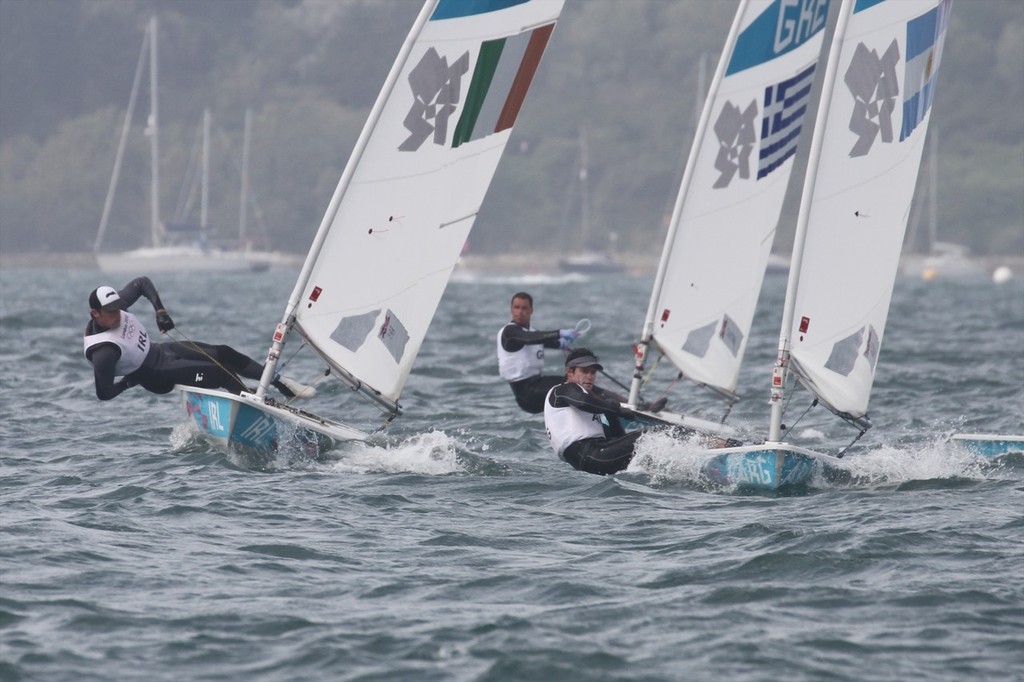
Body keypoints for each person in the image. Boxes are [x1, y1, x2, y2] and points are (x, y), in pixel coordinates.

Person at [83, 277, 315, 402]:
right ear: (96, 313)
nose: (117, 314)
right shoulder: (104, 352)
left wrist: (160, 312)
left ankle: (280, 383)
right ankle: (260, 402)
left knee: (224, 353)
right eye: (111, 312)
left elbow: (142, 283)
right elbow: (103, 393)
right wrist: (128, 382)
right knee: (222, 372)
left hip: (162, 351)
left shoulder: (115, 306)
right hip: (156, 374)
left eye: (118, 308)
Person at [543, 347, 646, 476]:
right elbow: (583, 402)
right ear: (569, 371)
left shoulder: (590, 409)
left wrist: (610, 414)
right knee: (651, 436)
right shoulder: (563, 389)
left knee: (647, 448)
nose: (590, 377)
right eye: (585, 371)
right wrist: (617, 410)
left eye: (593, 372)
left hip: (595, 459)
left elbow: (615, 436)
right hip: (589, 455)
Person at [497, 291, 582, 413]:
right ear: (511, 309)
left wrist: (562, 343)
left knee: (580, 382)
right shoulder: (510, 332)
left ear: (531, 310)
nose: (520, 312)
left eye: (524, 308)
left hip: (538, 383)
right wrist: (560, 333)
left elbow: (544, 340)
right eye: (516, 308)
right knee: (574, 387)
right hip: (526, 395)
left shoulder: (532, 331)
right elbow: (530, 338)